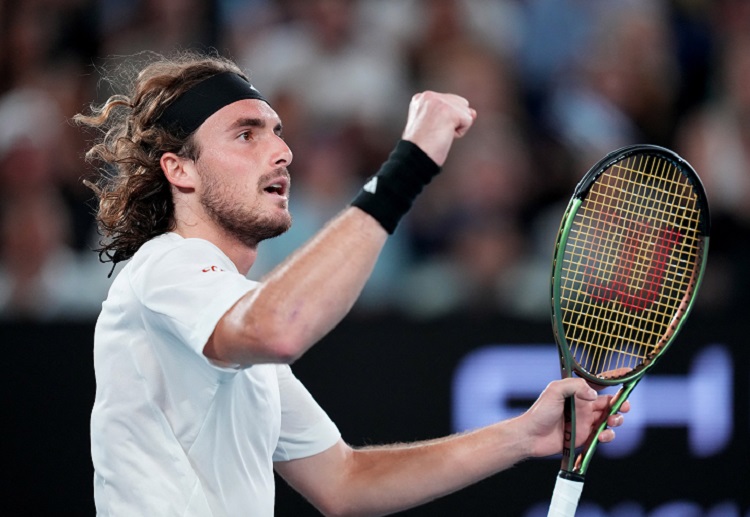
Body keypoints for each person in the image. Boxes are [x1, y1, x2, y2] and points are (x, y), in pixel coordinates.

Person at [76, 52, 629, 516]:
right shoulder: (164, 267)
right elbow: (279, 327)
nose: (281, 151)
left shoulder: (234, 327)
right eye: (245, 134)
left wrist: (521, 436)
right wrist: (408, 165)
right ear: (181, 170)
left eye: (277, 132)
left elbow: (345, 480)